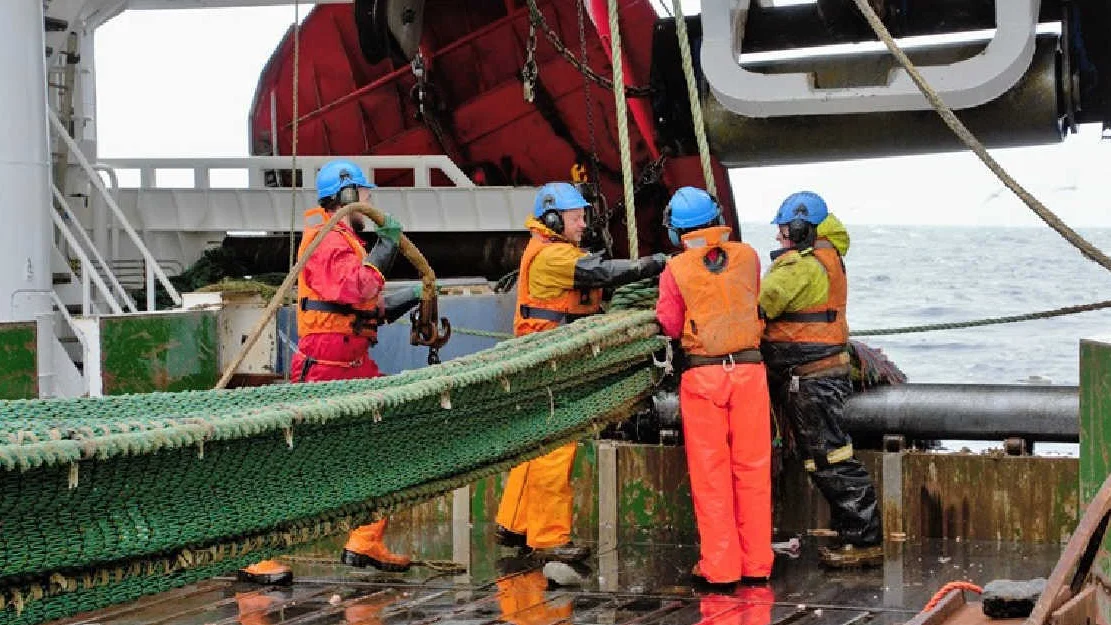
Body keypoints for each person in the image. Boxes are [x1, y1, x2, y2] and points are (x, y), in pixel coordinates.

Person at [238, 159, 421, 585]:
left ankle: (365, 540)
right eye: (366, 193)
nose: (371, 200)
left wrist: (412, 296)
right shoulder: (325, 239)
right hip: (324, 369)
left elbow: (358, 305)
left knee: (383, 446)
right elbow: (352, 287)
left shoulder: (345, 240)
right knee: (299, 462)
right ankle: (254, 551)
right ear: (345, 196)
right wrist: (387, 247)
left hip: (355, 364)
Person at [494, 182, 667, 563]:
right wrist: (654, 264)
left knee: (536, 445)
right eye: (576, 218)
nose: (583, 225)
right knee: (557, 448)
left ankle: (515, 524)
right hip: (552, 363)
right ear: (554, 218)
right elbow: (601, 273)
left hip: (543, 360)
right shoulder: (554, 257)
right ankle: (550, 537)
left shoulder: (550, 249)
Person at [654, 186, 773, 585]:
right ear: (718, 218)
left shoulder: (675, 269)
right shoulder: (748, 256)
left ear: (676, 231)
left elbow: (669, 325)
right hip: (750, 374)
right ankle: (758, 565)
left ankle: (720, 569)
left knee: (711, 474)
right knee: (754, 471)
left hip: (704, 376)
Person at [758, 191, 882, 567]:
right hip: (819, 377)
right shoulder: (827, 259)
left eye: (783, 231)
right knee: (825, 458)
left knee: (832, 458)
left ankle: (865, 540)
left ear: (799, 228)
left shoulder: (798, 267)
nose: (779, 238)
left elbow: (758, 306)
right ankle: (855, 534)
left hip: (812, 380)